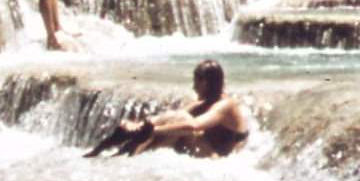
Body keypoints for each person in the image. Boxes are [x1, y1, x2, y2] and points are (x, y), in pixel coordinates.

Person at [87, 60, 249, 159]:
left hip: (220, 158)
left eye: (196, 82)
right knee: (177, 117)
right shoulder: (206, 101)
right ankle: (127, 151)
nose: (193, 87)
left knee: (181, 124)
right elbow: (173, 116)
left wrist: (153, 131)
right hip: (206, 149)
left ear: (205, 82)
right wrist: (141, 125)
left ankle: (132, 153)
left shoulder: (225, 106)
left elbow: (194, 126)